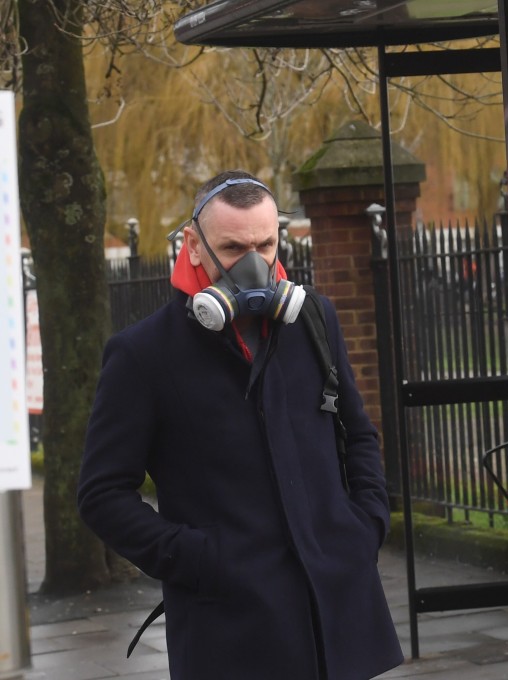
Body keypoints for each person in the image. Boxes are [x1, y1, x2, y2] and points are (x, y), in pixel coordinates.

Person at [77, 170, 404, 680]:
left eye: (265, 244)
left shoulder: (315, 320)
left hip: (338, 614)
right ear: (193, 245)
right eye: (232, 247)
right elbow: (101, 494)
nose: (254, 262)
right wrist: (201, 560)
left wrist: (364, 526)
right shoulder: (142, 355)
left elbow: (356, 432)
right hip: (230, 634)